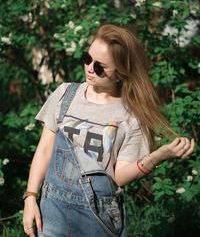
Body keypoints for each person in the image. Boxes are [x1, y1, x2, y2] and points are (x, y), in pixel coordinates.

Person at [23, 24, 195, 237]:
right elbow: (44, 151)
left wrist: (158, 156)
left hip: (98, 217)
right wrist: (31, 197)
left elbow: (119, 177)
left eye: (99, 67)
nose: (89, 68)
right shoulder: (65, 95)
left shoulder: (131, 116)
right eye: (87, 59)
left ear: (121, 74)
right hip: (52, 212)